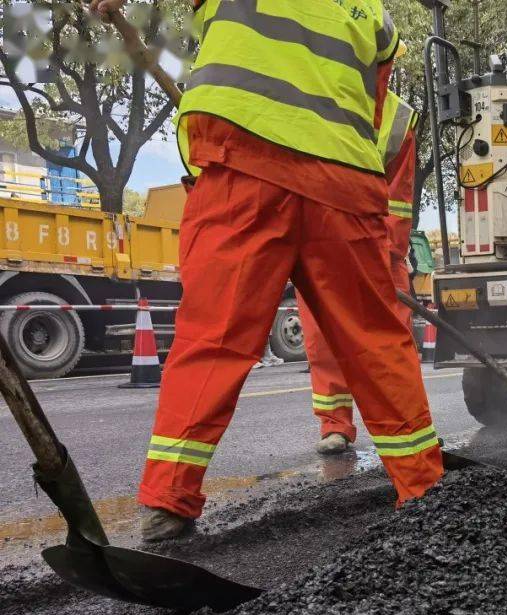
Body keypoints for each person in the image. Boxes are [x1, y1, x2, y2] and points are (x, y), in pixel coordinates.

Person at [90, 0, 445, 540]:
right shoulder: (375, 14)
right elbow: (372, 107)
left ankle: (169, 499)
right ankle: (424, 489)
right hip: (342, 184)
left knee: (214, 336)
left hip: (244, 168)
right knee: (376, 341)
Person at [300, 86, 420, 455]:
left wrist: (382, 257)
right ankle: (335, 424)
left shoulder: (397, 119)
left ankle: (410, 428)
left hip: (377, 250)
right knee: (324, 342)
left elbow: (398, 202)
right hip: (322, 246)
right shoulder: (305, 99)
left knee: (392, 340)